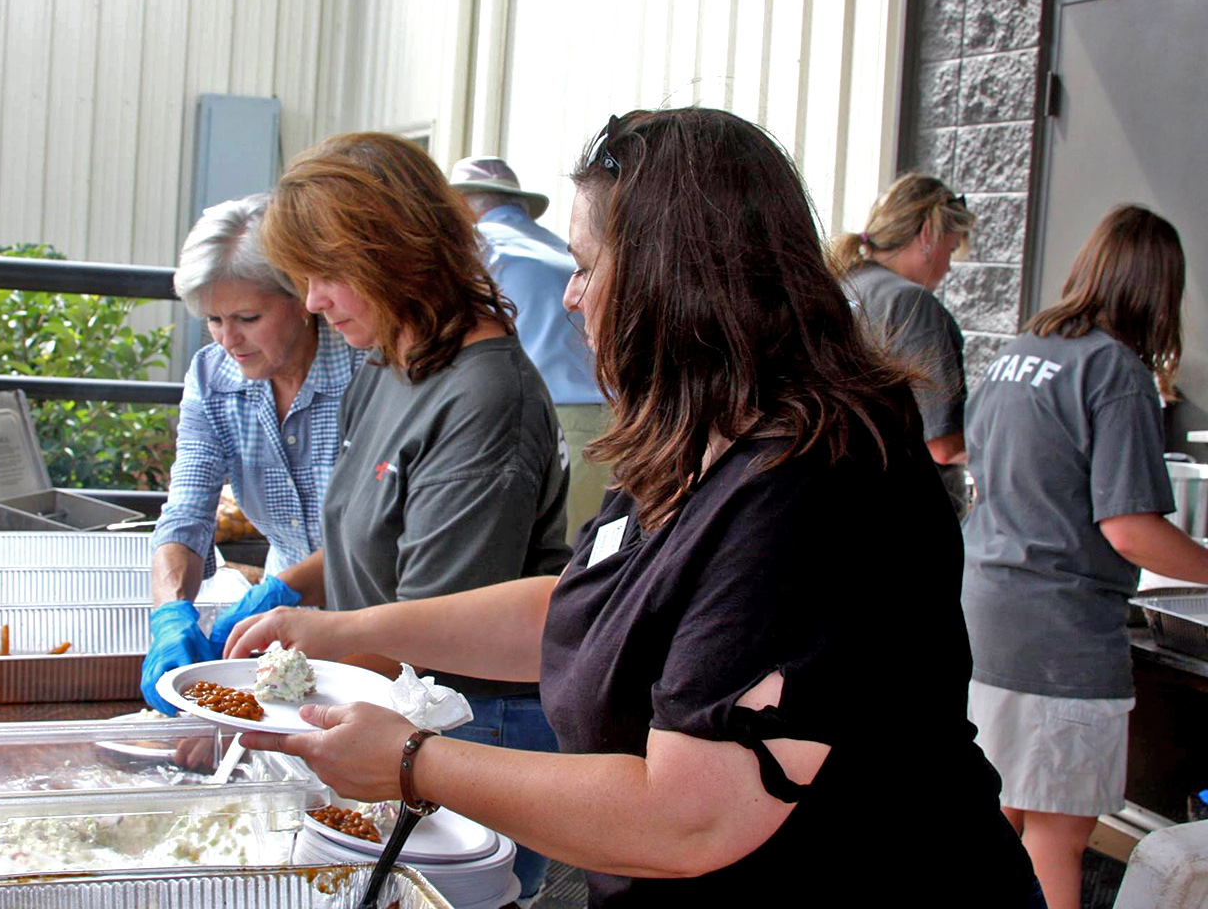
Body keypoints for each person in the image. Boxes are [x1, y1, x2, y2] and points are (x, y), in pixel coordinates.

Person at [227, 109, 1042, 906]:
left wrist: (413, 761)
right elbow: (583, 605)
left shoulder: (814, 483)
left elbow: (689, 818)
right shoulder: (692, 430)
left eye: (586, 265)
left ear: (674, 275)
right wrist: (343, 629)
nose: (573, 297)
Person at [253, 132, 572, 903]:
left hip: (465, 731)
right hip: (380, 702)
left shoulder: (484, 399)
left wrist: (257, 693)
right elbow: (366, 533)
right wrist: (278, 597)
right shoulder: (392, 357)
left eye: (327, 275)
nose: (312, 303)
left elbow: (435, 631)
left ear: (397, 254)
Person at [961, 205, 1208, 909]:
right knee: (1055, 842)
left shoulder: (1017, 354)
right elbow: (1130, 530)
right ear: (1159, 290)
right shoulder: (1117, 369)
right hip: (1059, 640)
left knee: (996, 828)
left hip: (985, 619)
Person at [140, 194, 364, 715]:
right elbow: (187, 511)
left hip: (378, 614)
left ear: (302, 298)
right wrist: (170, 612)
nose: (228, 340)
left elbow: (376, 533)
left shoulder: (365, 372)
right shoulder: (213, 376)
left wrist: (280, 592)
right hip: (280, 619)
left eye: (247, 316)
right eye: (213, 320)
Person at [449, 155, 610, 536]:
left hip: (543, 423)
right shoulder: (559, 248)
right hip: (610, 419)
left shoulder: (477, 250)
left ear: (460, 207)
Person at [832, 174, 976, 511]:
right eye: (951, 249)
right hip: (904, 509)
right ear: (927, 234)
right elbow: (941, 443)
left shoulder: (843, 286)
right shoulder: (913, 304)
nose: (949, 267)